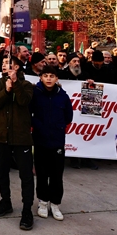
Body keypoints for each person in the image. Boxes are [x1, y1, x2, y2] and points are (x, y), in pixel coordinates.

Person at [0, 56, 35, 231]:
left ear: (17, 67)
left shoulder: (27, 85)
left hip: (21, 137)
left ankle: (27, 210)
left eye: (8, 64)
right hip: (2, 136)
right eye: (2, 63)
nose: (4, 66)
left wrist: (15, 84)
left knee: (26, 175)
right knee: (2, 171)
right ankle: (5, 201)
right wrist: (7, 90)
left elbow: (24, 101)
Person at [30, 65, 73, 223]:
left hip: (57, 141)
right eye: (45, 75)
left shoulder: (63, 96)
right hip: (40, 140)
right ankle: (42, 202)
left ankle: (55, 204)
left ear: (57, 78)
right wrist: (39, 126)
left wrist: (58, 126)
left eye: (52, 76)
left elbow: (68, 116)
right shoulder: (35, 93)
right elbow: (28, 113)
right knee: (41, 173)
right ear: (41, 77)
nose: (48, 79)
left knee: (56, 175)